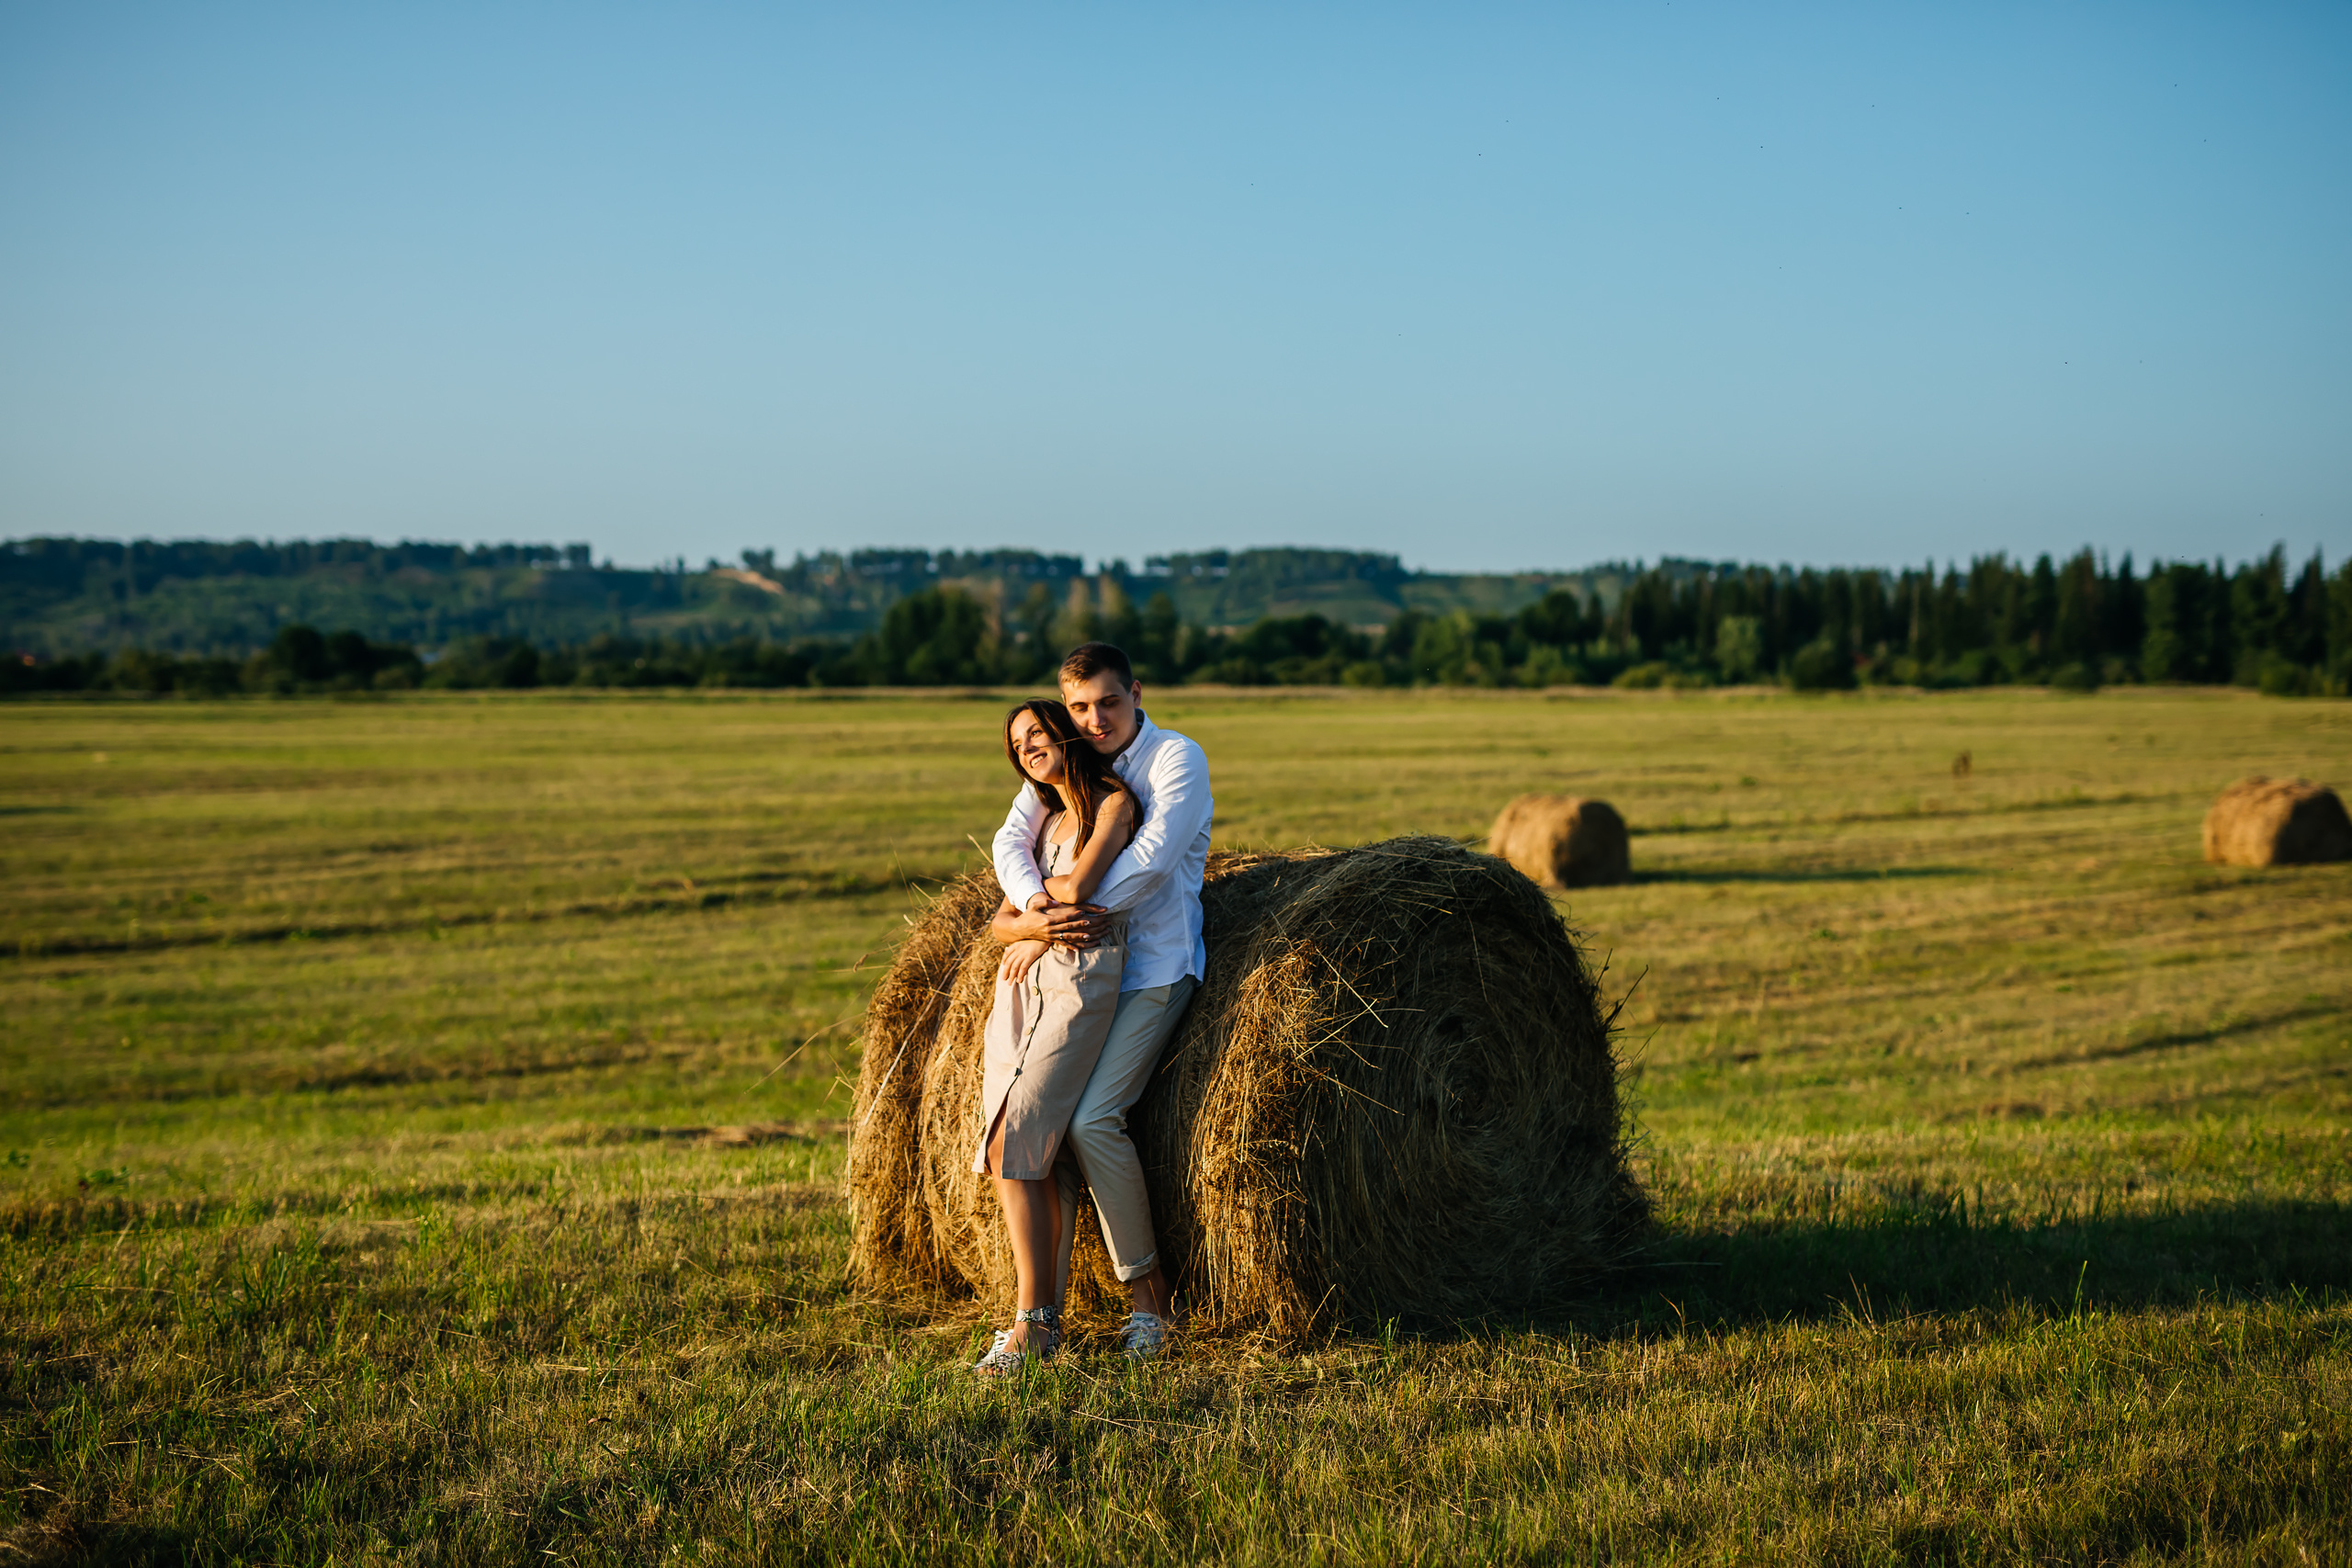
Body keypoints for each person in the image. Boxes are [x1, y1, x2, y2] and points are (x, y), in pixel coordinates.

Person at [987, 641, 1214, 1366]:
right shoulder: (1072, 758)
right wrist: (1033, 913)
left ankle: (1151, 1303)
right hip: (1079, 975)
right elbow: (1009, 841)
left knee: (1091, 1120)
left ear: (1136, 692)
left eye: (1108, 702)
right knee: (1038, 1134)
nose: (1094, 719)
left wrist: (1061, 921)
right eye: (1080, 707)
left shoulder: (1176, 758)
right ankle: (1039, 1317)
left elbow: (1148, 864)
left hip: (1154, 969)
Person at [969, 696, 1138, 1378]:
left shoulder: (1114, 805)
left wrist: (1031, 917)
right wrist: (1032, 923)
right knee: (1009, 1139)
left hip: (1079, 984)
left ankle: (1034, 1321)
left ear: (1064, 731)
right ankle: (1038, 1316)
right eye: (1018, 743)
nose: (1029, 746)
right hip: (1021, 987)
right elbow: (999, 923)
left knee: (1021, 1137)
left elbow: (1083, 885)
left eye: (1037, 732)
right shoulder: (1044, 816)